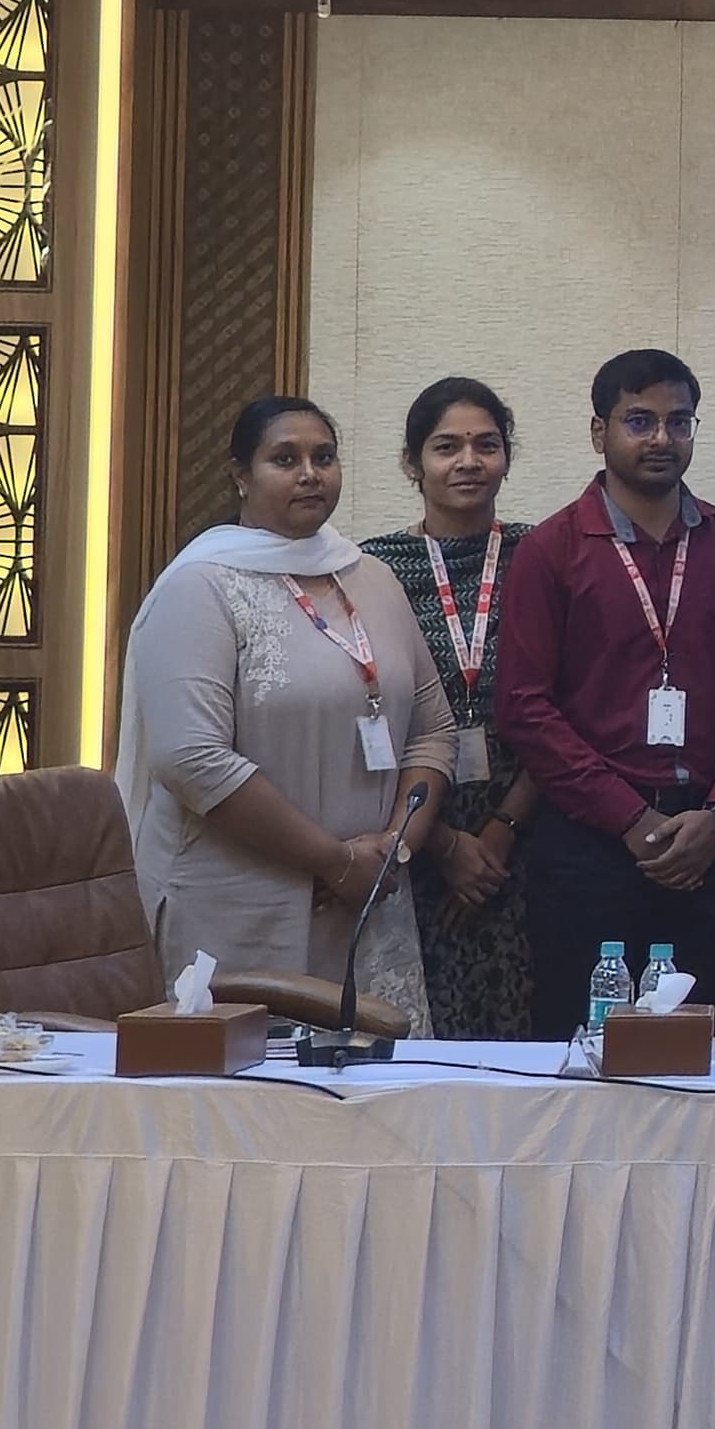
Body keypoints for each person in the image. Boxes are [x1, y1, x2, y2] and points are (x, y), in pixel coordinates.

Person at [114, 397, 453, 1021]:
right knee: (240, 1079)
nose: (309, 474)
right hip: (239, 907)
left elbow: (433, 731)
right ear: (240, 475)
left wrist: (390, 851)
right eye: (285, 459)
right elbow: (192, 759)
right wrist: (334, 860)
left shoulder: (371, 578)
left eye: (324, 457)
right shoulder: (199, 586)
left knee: (369, 1077)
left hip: (367, 902)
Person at [488, 349, 715, 1035]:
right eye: (640, 420)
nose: (661, 438)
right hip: (590, 844)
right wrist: (629, 818)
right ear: (600, 432)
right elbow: (524, 707)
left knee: (699, 1049)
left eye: (679, 422)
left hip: (709, 843)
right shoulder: (551, 550)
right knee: (583, 1043)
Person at [361, 377, 542, 1039]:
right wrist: (438, 842)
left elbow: (571, 704)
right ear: (413, 463)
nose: (469, 461)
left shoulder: (542, 556)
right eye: (446, 447)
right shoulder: (371, 570)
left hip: (530, 823)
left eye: (486, 445)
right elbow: (363, 711)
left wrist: (501, 831)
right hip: (407, 826)